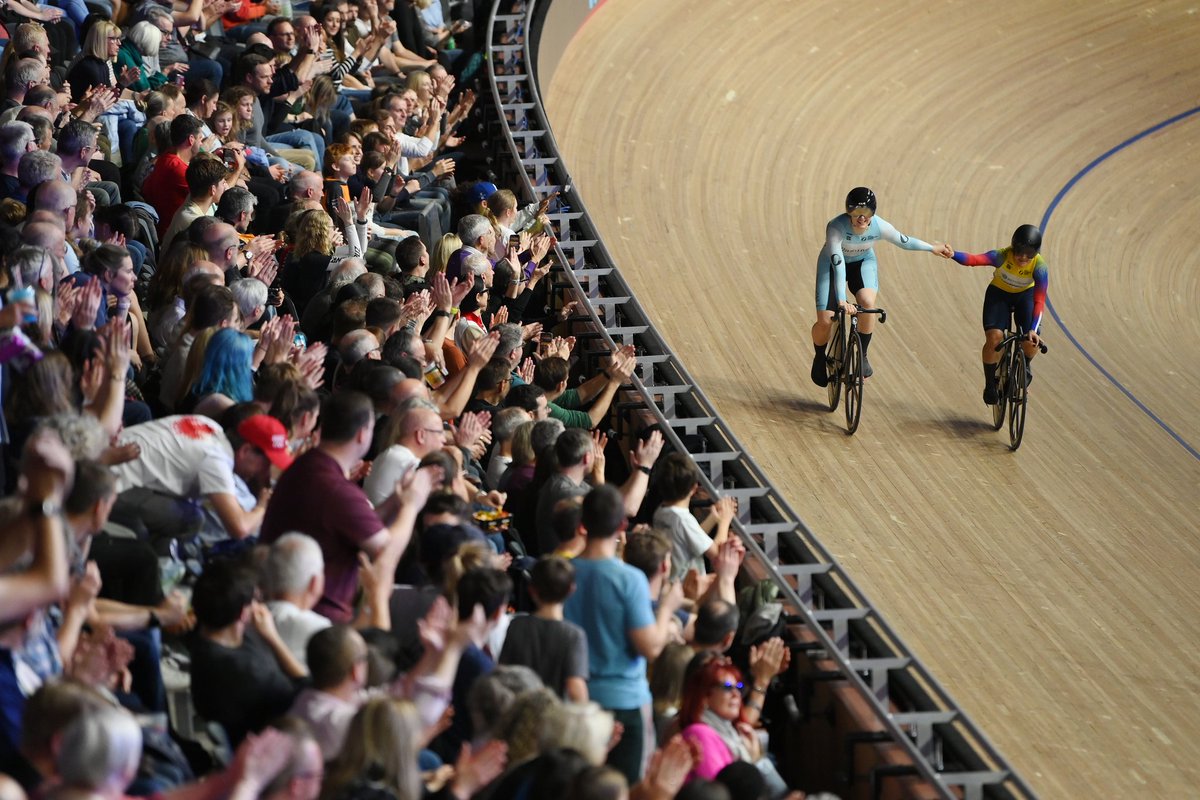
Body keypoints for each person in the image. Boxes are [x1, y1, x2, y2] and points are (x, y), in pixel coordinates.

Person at [810, 187, 952, 385]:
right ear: (848, 212)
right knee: (825, 320)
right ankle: (819, 357)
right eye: (856, 213)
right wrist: (841, 300)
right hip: (833, 266)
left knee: (868, 304)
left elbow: (904, 241)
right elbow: (838, 264)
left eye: (867, 213)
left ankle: (863, 356)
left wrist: (932, 248)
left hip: (863, 263)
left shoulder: (879, 226)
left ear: (873, 213)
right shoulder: (836, 227)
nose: (861, 218)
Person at [950, 224, 1049, 405]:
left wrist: (1033, 329)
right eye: (1020, 252)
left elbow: (1040, 301)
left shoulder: (1040, 267)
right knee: (995, 339)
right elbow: (974, 259)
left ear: (1036, 253)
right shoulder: (1002, 255)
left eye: (1029, 254)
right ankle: (989, 384)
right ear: (1013, 247)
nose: (1023, 258)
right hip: (999, 295)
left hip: (1024, 298)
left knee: (1031, 339)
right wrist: (952, 254)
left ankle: (1025, 366)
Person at [498, 555, 589, 702]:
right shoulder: (573, 635)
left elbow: (503, 672)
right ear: (571, 590)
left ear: (532, 590)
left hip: (521, 712)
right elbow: (575, 686)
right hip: (555, 718)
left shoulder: (516, 625)